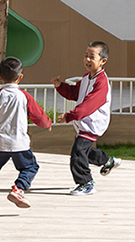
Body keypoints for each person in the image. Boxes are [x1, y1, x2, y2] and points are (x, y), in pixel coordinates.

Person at [0, 56, 52, 216]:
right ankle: (18, 189)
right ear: (20, 77)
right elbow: (38, 115)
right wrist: (47, 123)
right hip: (19, 143)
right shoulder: (24, 96)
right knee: (30, 167)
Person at [52, 41, 122, 196]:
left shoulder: (101, 82)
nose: (87, 60)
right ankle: (107, 161)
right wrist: (60, 86)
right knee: (85, 152)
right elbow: (75, 93)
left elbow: (89, 105)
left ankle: (86, 183)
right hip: (84, 122)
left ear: (103, 61)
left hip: (93, 123)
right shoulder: (86, 78)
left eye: (92, 57)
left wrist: (70, 116)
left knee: (77, 153)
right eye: (85, 56)